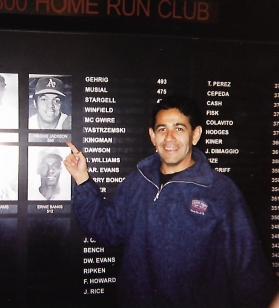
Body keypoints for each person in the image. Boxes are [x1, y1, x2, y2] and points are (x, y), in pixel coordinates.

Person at [63, 95, 279, 307]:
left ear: (195, 135)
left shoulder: (220, 192)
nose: (169, 138)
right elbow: (106, 228)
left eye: (179, 128)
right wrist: (82, 179)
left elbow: (247, 268)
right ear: (152, 136)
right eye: (162, 129)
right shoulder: (139, 180)